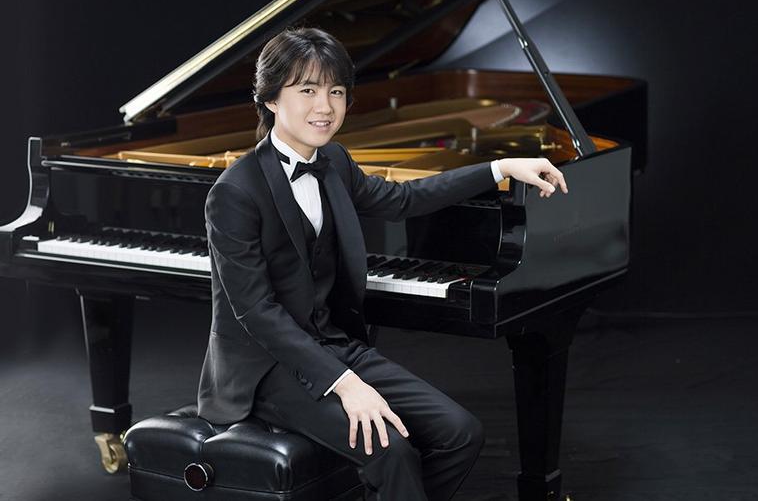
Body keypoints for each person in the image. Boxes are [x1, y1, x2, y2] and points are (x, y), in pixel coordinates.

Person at [197, 27, 568, 500]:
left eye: (336, 92)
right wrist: (344, 383)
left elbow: (402, 199)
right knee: (391, 452)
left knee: (461, 433)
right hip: (264, 370)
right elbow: (256, 312)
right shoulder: (234, 191)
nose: (325, 107)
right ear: (270, 98)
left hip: (335, 344)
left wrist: (499, 169)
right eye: (307, 91)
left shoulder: (333, 160)